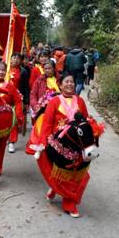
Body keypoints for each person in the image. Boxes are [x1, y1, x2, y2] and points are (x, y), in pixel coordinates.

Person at [34, 73, 90, 218]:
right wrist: (42, 143)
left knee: (78, 174)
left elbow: (86, 123)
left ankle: (64, 198)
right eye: (66, 82)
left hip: (77, 144)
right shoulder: (54, 102)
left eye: (72, 81)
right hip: (58, 145)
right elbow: (47, 124)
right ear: (60, 85)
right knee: (63, 172)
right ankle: (68, 202)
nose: (70, 84)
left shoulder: (80, 101)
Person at [26, 61, 61, 155]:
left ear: (54, 69)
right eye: (45, 69)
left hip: (59, 110)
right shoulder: (39, 80)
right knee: (43, 130)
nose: (48, 70)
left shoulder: (60, 80)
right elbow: (33, 94)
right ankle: (41, 146)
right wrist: (35, 106)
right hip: (43, 110)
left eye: (50, 68)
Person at [7, 53, 29, 153]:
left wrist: (26, 102)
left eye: (18, 58)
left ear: (20, 61)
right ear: (10, 59)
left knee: (14, 121)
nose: (15, 60)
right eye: (14, 58)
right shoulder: (5, 68)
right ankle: (4, 138)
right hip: (4, 99)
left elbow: (25, 88)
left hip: (17, 100)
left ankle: (12, 142)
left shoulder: (23, 72)